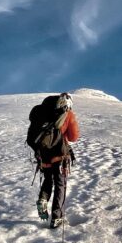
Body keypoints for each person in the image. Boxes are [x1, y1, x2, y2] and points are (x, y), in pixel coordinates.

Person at [27, 92, 80, 228]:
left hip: (44, 155)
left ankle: (43, 199)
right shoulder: (68, 113)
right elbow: (74, 137)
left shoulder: (43, 111)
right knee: (60, 183)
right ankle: (57, 217)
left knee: (48, 179)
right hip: (59, 155)